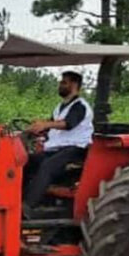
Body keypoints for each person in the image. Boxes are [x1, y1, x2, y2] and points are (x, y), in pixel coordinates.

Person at [23, 70, 94, 211]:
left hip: (76, 149)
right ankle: (17, 196)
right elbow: (52, 125)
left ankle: (27, 206)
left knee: (47, 167)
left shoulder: (80, 106)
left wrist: (45, 124)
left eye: (64, 82)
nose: (60, 85)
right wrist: (34, 130)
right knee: (28, 160)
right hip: (57, 148)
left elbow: (68, 124)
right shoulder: (60, 107)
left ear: (74, 85)